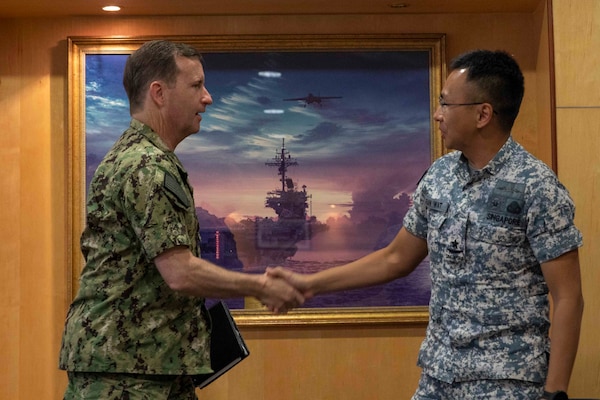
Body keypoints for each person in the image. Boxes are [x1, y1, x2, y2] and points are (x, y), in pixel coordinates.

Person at [268, 49, 584, 400]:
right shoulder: (439, 176)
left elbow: (568, 297)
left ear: (483, 114)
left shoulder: (537, 186)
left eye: (446, 104)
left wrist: (555, 393)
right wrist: (309, 284)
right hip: (439, 376)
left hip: (506, 381)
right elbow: (394, 259)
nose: (437, 115)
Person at [59, 40, 304, 400]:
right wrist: (261, 287)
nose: (208, 97)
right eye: (195, 86)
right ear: (158, 93)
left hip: (148, 364)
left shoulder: (143, 158)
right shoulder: (146, 166)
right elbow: (180, 272)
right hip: (127, 373)